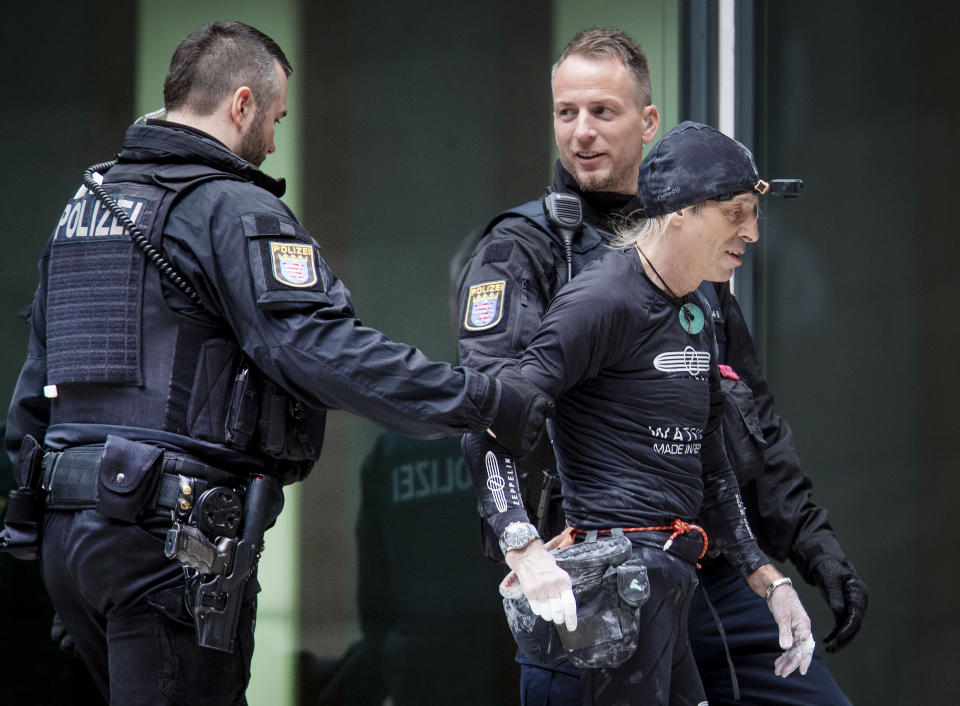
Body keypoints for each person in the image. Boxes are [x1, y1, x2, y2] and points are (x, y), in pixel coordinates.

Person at [0, 21, 551, 706]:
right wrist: (482, 398)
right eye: (275, 117)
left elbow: (38, 373)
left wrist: (27, 526)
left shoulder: (87, 207)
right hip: (169, 537)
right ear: (240, 104)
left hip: (70, 537)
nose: (273, 138)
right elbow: (319, 350)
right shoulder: (230, 207)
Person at [456, 28, 866, 705]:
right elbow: (493, 411)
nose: (582, 132)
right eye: (567, 113)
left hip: (708, 564)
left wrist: (809, 551)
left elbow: (744, 419)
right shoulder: (521, 250)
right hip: (594, 574)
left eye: (603, 112)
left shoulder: (694, 244)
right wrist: (528, 548)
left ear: (648, 122)